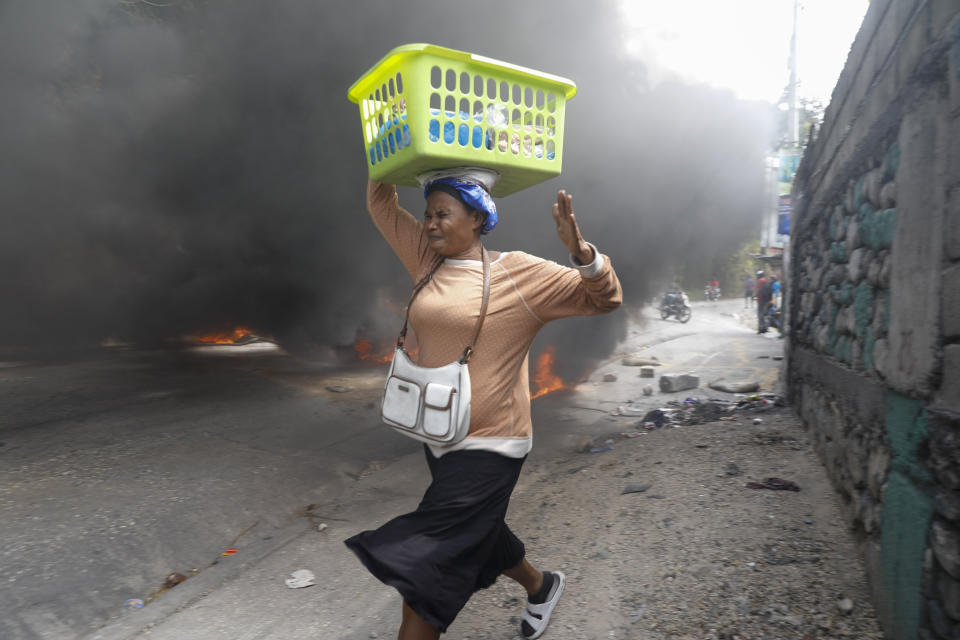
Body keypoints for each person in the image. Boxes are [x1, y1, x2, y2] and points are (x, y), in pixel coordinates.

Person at [346, 172, 622, 640]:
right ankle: (543, 586)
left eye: (443, 213)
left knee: (430, 564)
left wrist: (583, 255)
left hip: (494, 445)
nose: (431, 223)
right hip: (440, 434)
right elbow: (382, 204)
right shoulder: (426, 261)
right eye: (428, 213)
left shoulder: (518, 273)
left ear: (477, 217)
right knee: (481, 531)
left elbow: (605, 299)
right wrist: (388, 148)